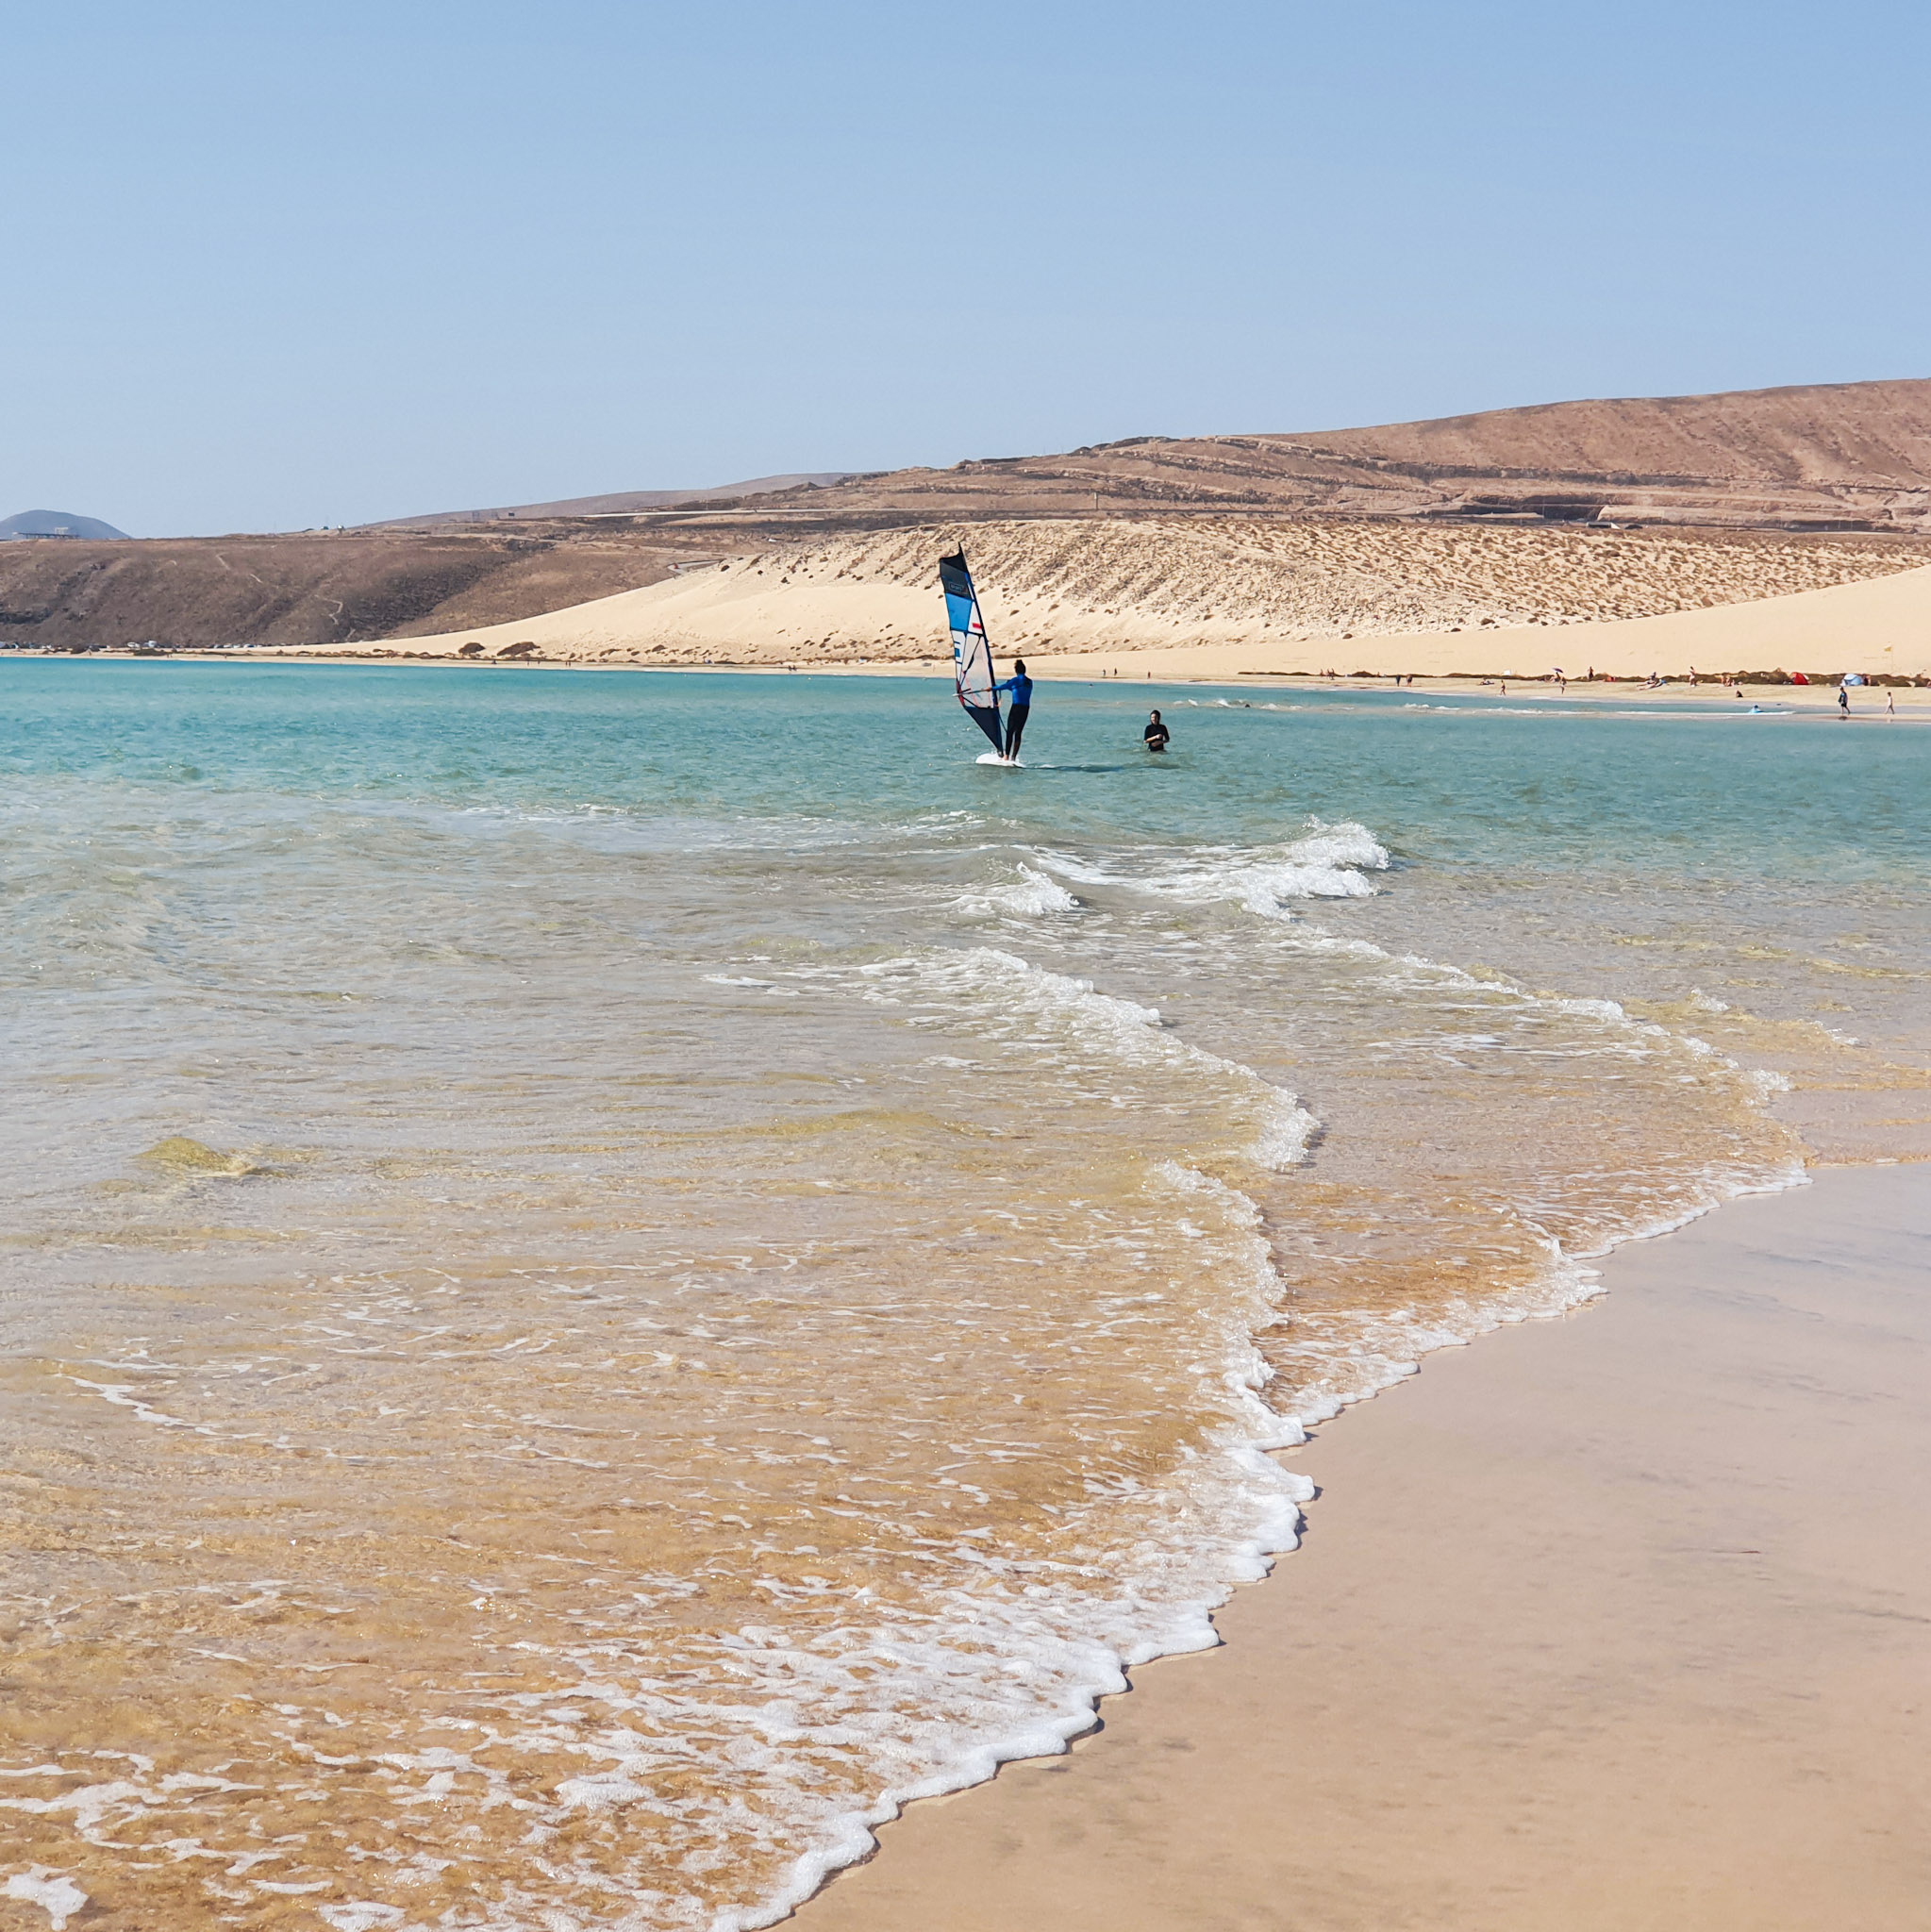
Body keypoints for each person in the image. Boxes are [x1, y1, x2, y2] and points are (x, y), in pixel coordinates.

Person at [995, 658, 1034, 758]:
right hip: (1025, 709)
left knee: (1010, 731)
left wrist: (990, 688)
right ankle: (1013, 756)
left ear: (1016, 671)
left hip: (1016, 708)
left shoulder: (1015, 680)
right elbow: (1017, 690)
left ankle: (1006, 755)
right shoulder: (1029, 682)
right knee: (1018, 732)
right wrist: (1010, 685)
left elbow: (1002, 687)